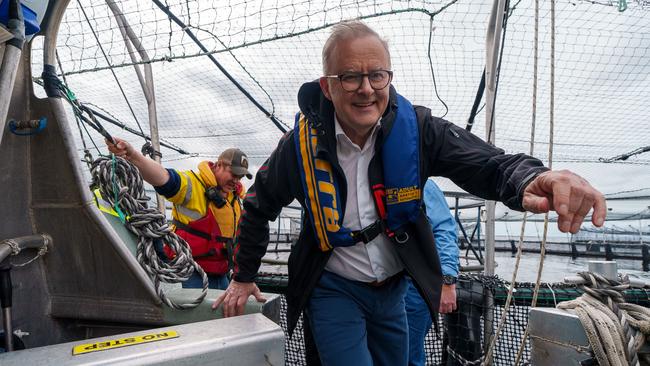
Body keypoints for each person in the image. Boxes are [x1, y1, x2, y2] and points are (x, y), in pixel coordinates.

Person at [214, 20, 606, 366]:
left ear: (389, 78)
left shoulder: (417, 129)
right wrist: (243, 275)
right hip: (333, 287)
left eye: (377, 75)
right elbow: (258, 205)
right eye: (350, 77)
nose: (366, 89)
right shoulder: (297, 147)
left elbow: (487, 163)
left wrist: (533, 178)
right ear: (328, 87)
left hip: (393, 291)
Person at [107, 138, 252, 290]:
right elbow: (164, 177)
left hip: (222, 273)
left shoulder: (236, 196)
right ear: (219, 165)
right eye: (233, 174)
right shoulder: (193, 184)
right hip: (190, 272)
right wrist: (132, 155)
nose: (236, 180)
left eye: (240, 177)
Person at [405, 179, 458, 366]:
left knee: (408, 354)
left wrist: (447, 280)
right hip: (375, 285)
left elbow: (443, 230)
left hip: (413, 287)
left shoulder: (423, 183)